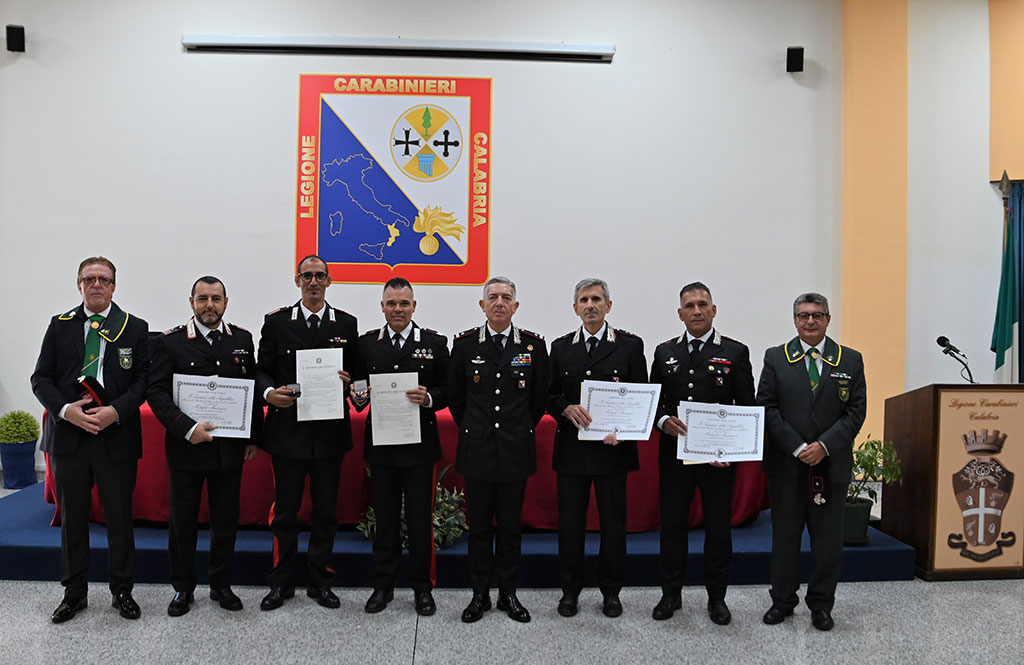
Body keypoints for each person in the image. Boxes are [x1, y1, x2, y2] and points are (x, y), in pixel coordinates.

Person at [31, 256, 150, 623]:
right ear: (79, 285)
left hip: (115, 434)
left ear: (114, 286)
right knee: (73, 520)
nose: (96, 284)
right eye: (89, 279)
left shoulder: (134, 327)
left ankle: (122, 590)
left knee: (119, 517)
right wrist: (67, 411)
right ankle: (74, 592)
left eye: (104, 279)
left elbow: (143, 381)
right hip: (70, 436)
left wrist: (116, 410)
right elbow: (41, 380)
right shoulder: (60, 325)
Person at [146, 276, 262, 616]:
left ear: (226, 301)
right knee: (182, 522)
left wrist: (253, 436)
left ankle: (221, 585)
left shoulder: (241, 339)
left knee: (225, 521)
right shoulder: (170, 342)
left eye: (215, 298)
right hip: (187, 448)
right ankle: (182, 588)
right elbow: (156, 392)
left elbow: (250, 389)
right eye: (202, 299)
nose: (209, 305)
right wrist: (187, 428)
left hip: (229, 450)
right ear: (191, 302)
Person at [255, 254, 358, 611]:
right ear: (297, 281)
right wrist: (269, 394)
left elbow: (358, 377)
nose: (313, 282)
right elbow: (262, 370)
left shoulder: (347, 324)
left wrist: (351, 384)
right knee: (285, 513)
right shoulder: (277, 322)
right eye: (307, 276)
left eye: (320, 276)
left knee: (326, 513)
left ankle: (320, 581)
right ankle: (281, 583)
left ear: (329, 281)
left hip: (330, 434)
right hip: (287, 433)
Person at [757, 292, 866, 631]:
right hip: (787, 468)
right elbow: (767, 406)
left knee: (828, 543)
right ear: (794, 320)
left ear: (828, 320)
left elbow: (856, 411)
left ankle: (821, 604)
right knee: (785, 539)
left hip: (830, 467)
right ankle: (783, 601)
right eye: (803, 315)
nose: (810, 321)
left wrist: (824, 445)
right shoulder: (776, 358)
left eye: (817, 315)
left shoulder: (849, 360)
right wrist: (797, 446)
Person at [649, 282, 754, 626]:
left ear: (713, 310)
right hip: (675, 457)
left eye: (702, 304)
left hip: (717, 460)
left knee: (719, 530)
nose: (696, 310)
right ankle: (670, 594)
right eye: (690, 306)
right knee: (673, 528)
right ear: (680, 313)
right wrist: (663, 420)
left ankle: (717, 599)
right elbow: (654, 404)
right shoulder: (664, 353)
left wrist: (733, 449)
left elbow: (747, 409)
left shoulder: (736, 352)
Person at [448, 276, 549, 623]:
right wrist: (476, 430)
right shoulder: (463, 345)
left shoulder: (534, 347)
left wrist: (515, 429)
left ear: (515, 306)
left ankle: (508, 594)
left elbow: (537, 402)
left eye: (506, 297)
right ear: (482, 305)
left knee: (509, 528)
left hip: (514, 450)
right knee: (478, 529)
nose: (499, 303)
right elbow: (457, 399)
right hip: (477, 450)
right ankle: (479, 595)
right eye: (492, 297)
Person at [547, 278, 647, 618]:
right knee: (570, 527)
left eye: (597, 299)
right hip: (573, 452)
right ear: (575, 308)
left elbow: (641, 398)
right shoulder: (560, 348)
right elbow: (547, 395)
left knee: (613, 527)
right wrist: (565, 408)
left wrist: (624, 429)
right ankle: (570, 592)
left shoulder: (630, 346)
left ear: (609, 306)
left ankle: (611, 592)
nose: (590, 305)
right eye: (584, 300)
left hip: (613, 451)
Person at [351, 277, 449, 617]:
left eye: (404, 303)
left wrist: (431, 397)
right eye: (391, 303)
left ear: (414, 306)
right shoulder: (366, 345)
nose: (398, 309)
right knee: (386, 519)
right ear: (382, 307)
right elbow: (358, 382)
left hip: (420, 446)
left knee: (421, 521)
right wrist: (358, 394)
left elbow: (450, 387)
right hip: (382, 446)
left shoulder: (435, 343)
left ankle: (423, 588)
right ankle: (383, 586)